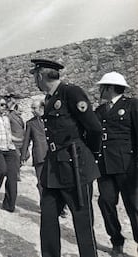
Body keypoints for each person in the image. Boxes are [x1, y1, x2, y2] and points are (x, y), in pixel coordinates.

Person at [30, 59, 102, 257]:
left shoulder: (71, 92)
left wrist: (90, 155)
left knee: (82, 221)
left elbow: (94, 128)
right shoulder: (49, 99)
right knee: (48, 216)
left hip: (75, 164)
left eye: (35, 76)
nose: (34, 80)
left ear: (41, 75)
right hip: (54, 165)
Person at [94, 71, 138, 256]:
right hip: (104, 167)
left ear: (110, 87)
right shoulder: (100, 111)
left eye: (102, 87)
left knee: (134, 207)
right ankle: (116, 241)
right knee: (106, 202)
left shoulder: (132, 105)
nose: (100, 90)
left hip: (128, 167)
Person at [20, 100, 48, 198]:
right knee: (41, 182)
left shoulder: (51, 120)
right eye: (31, 108)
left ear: (42, 108)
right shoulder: (30, 123)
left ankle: (61, 207)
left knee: (56, 181)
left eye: (34, 108)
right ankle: (44, 205)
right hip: (39, 156)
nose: (32, 110)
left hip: (53, 156)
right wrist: (23, 156)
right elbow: (26, 140)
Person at [7, 101, 25, 181]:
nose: (21, 113)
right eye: (20, 111)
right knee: (17, 158)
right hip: (14, 141)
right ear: (15, 109)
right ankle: (17, 175)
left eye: (22, 111)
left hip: (21, 141)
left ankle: (14, 168)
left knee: (26, 155)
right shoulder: (10, 117)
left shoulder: (20, 118)